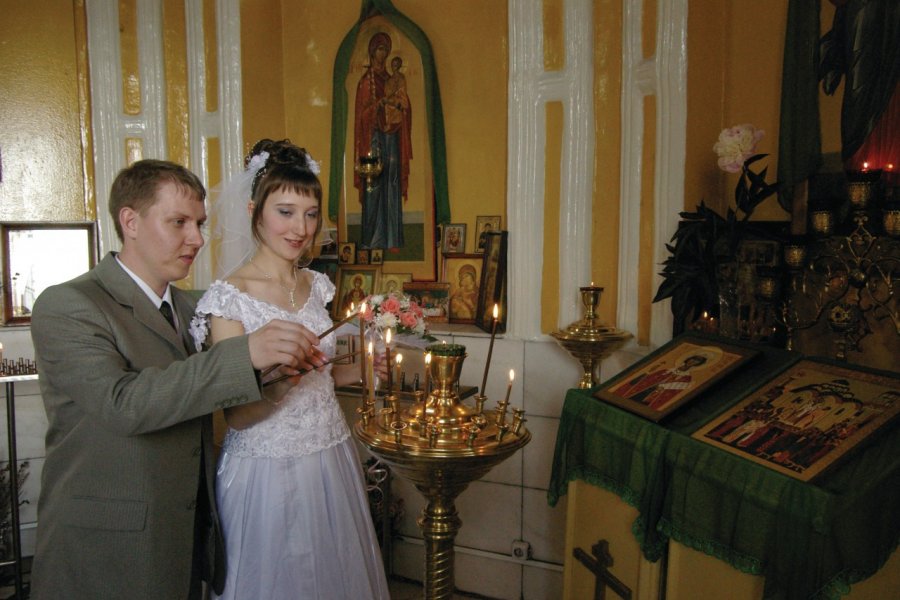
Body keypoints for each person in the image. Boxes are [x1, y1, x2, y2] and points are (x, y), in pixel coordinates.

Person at [29, 159, 323, 600]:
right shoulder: (68, 304)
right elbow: (122, 404)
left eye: (200, 223)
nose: (197, 239)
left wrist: (281, 381)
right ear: (130, 221)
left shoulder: (191, 308)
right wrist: (246, 353)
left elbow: (216, 394)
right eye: (179, 222)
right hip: (108, 542)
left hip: (185, 535)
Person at [191, 138, 390, 599]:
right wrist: (284, 383)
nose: (300, 228)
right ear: (254, 211)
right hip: (266, 470)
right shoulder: (228, 297)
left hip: (330, 456)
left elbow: (325, 377)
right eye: (285, 212)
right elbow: (236, 414)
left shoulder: (317, 285)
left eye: (310, 213)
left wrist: (360, 369)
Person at [354, 32, 412, 251]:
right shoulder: (365, 83)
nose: (383, 54)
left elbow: (403, 106)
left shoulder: (392, 80)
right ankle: (372, 240)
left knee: (392, 182)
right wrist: (379, 104)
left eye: (386, 50)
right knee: (374, 185)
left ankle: (392, 239)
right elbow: (362, 114)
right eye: (380, 49)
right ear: (372, 51)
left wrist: (401, 106)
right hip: (374, 138)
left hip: (391, 136)